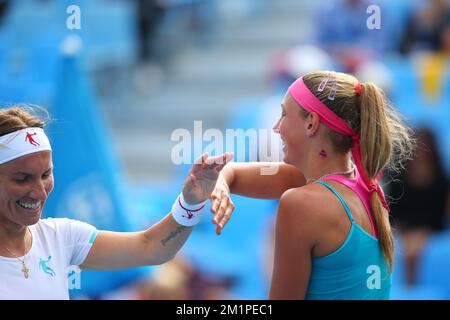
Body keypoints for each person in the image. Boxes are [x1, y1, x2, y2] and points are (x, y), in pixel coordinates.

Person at [209, 71, 414, 299]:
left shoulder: (302, 203)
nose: (276, 127)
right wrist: (221, 183)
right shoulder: (362, 183)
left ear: (311, 124)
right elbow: (233, 173)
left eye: (284, 114)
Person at [0, 106, 233, 300]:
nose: (39, 192)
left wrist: (190, 203)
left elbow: (150, 247)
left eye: (45, 175)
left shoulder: (61, 236)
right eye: (22, 179)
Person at [388, 128, 450, 285]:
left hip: (429, 228)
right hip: (404, 227)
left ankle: (411, 286)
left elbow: (440, 213)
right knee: (408, 245)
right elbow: (394, 210)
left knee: (413, 247)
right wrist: (402, 228)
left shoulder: (442, 182)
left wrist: (424, 230)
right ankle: (406, 287)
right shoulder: (399, 179)